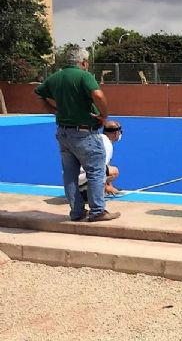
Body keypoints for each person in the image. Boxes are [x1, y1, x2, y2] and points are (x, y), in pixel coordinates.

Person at [34, 46, 120, 222]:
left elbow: (38, 94)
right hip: (84, 133)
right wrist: (104, 115)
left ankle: (77, 212)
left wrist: (54, 110)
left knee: (70, 174)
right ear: (83, 62)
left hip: (63, 133)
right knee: (96, 171)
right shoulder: (84, 76)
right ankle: (97, 211)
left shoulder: (56, 77)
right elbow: (97, 94)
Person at [78, 120, 123, 200]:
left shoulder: (98, 138)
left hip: (75, 176)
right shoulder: (107, 145)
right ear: (116, 133)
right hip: (82, 177)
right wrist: (106, 188)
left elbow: (106, 166)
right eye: (120, 132)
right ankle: (91, 192)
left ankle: (86, 188)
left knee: (108, 169)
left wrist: (110, 186)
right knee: (114, 171)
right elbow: (99, 168)